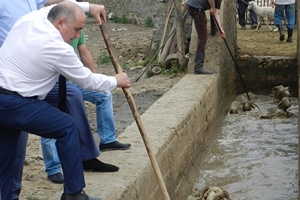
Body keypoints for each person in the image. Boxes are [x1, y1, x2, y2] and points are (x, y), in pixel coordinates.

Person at [0, 2, 130, 200]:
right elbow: (88, 80)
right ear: (60, 23)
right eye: (77, 29)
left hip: (6, 93)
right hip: (15, 101)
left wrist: (89, 7)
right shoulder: (58, 48)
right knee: (66, 126)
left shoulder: (33, 19)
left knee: (7, 155)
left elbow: (60, 5)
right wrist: (116, 81)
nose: (78, 35)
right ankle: (74, 193)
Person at [41, 29, 131, 183]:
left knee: (104, 95)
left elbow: (84, 54)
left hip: (74, 83)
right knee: (52, 119)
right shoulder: (48, 35)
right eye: (76, 28)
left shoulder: (76, 30)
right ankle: (53, 169)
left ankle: (107, 140)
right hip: (52, 86)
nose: (78, 33)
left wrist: (96, 80)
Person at [185, 0, 225, 74]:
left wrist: (221, 30)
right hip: (196, 8)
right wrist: (212, 7)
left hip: (195, 8)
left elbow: (216, 14)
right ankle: (198, 67)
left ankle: (198, 67)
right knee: (202, 37)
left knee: (203, 33)